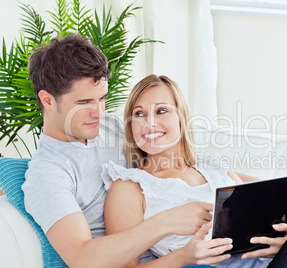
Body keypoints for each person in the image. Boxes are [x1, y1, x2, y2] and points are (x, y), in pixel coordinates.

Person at [102, 74, 287, 268]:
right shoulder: (130, 187)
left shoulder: (212, 166)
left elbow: (268, 200)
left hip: (279, 258)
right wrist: (184, 256)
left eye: (161, 110)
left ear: (181, 117)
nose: (149, 123)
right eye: (138, 114)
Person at [21, 34, 217, 267]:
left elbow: (191, 164)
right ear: (48, 101)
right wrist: (166, 222)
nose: (99, 113)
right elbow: (82, 259)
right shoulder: (47, 174)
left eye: (102, 98)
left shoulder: (114, 127)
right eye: (84, 103)